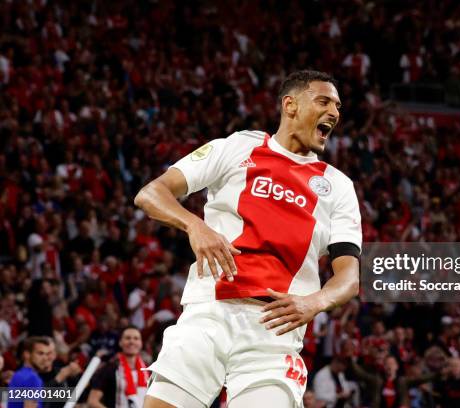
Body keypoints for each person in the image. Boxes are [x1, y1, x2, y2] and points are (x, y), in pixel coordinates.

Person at [134, 70, 362, 408]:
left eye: (339, 106)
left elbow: (349, 277)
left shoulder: (337, 186)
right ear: (291, 105)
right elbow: (151, 193)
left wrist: (313, 302)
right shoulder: (239, 147)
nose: (335, 112)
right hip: (209, 311)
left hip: (275, 330)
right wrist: (195, 226)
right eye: (324, 101)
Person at [88, 326, 150, 408]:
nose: (132, 341)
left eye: (136, 338)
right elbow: (92, 401)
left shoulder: (149, 371)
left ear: (141, 343)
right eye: (128, 338)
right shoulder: (109, 369)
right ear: (120, 342)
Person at [7, 337, 49, 408]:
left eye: (46, 354)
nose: (45, 358)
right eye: (40, 353)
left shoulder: (17, 375)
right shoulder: (32, 378)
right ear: (27, 354)